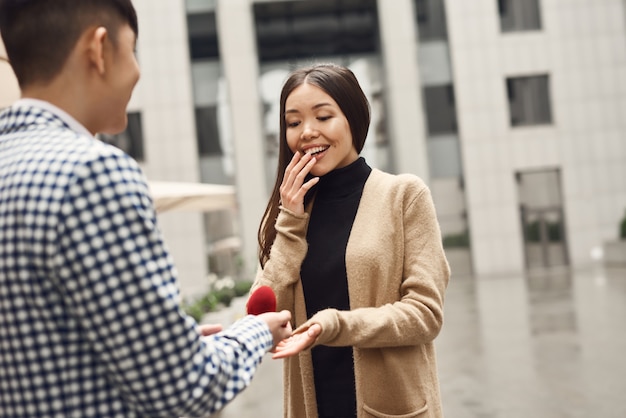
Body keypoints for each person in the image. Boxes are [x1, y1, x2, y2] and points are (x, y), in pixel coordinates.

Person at [0, 1, 292, 417]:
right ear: (99, 50)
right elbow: (185, 389)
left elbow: (46, 350)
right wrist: (254, 332)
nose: (137, 70)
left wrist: (169, 343)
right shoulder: (93, 172)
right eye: (133, 48)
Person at [252, 63, 451, 418]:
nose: (307, 132)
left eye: (323, 117)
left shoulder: (404, 196)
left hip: (394, 409)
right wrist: (291, 223)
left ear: (353, 120)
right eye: (294, 122)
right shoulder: (284, 217)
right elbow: (261, 318)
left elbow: (425, 315)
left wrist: (335, 325)